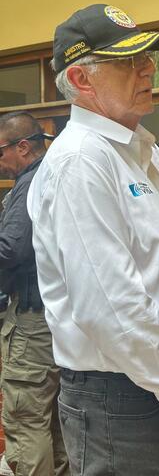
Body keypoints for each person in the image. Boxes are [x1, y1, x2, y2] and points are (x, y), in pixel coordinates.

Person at [27, 4, 159, 476]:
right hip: (121, 401)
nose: (148, 68)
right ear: (80, 80)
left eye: (146, 56)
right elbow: (112, 311)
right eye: (126, 61)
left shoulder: (147, 153)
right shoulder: (81, 162)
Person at [0, 112, 69, 476]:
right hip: (56, 317)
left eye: (1, 153)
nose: (1, 162)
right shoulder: (54, 175)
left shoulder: (31, 183)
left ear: (22, 146)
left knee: (26, 418)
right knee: (53, 420)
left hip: (33, 319)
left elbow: (11, 249)